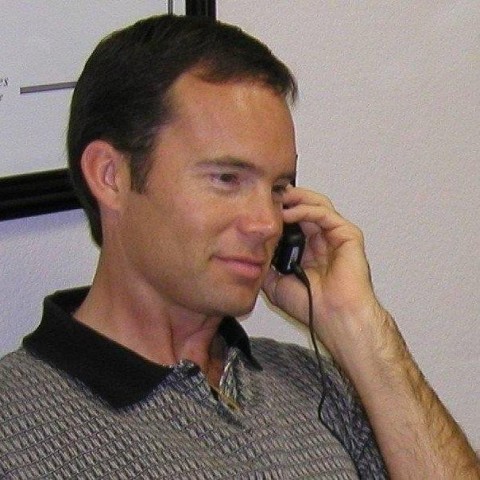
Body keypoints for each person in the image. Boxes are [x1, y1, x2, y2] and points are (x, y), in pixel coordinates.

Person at [0, 14, 478, 479]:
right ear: (111, 176)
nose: (266, 223)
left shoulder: (311, 384)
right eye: (227, 179)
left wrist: (358, 328)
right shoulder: (16, 430)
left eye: (278, 188)